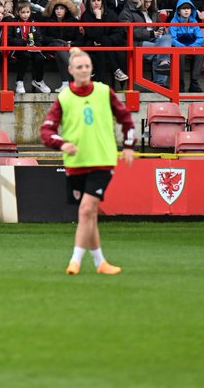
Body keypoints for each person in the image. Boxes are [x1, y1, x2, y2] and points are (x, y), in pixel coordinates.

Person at [40, 48, 135, 276]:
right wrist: (62, 144)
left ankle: (75, 261)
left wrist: (129, 146)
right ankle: (100, 262)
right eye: (79, 67)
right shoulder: (64, 98)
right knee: (89, 213)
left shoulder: (104, 92)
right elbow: (46, 131)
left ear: (91, 69)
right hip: (76, 163)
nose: (83, 71)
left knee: (85, 210)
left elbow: (126, 118)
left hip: (102, 160)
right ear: (70, 70)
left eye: (87, 67)